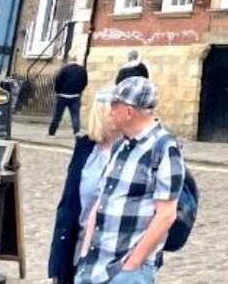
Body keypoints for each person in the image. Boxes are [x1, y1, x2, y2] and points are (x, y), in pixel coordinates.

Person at [77, 77, 183, 284]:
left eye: (113, 106)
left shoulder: (164, 148)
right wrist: (84, 252)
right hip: (94, 264)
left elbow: (166, 215)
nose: (109, 111)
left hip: (127, 270)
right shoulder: (120, 145)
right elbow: (102, 199)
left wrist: (132, 264)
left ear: (128, 112)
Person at [49, 90, 118, 284]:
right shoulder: (85, 149)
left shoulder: (136, 153)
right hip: (80, 249)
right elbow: (67, 207)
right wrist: (57, 262)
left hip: (116, 254)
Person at [50, 56, 89, 137]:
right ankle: (77, 132)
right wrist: (80, 90)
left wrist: (58, 91)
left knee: (57, 115)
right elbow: (85, 82)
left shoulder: (64, 69)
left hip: (63, 95)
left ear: (69, 60)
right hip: (75, 96)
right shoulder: (82, 70)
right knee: (75, 115)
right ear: (76, 60)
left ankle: (52, 133)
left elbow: (58, 80)